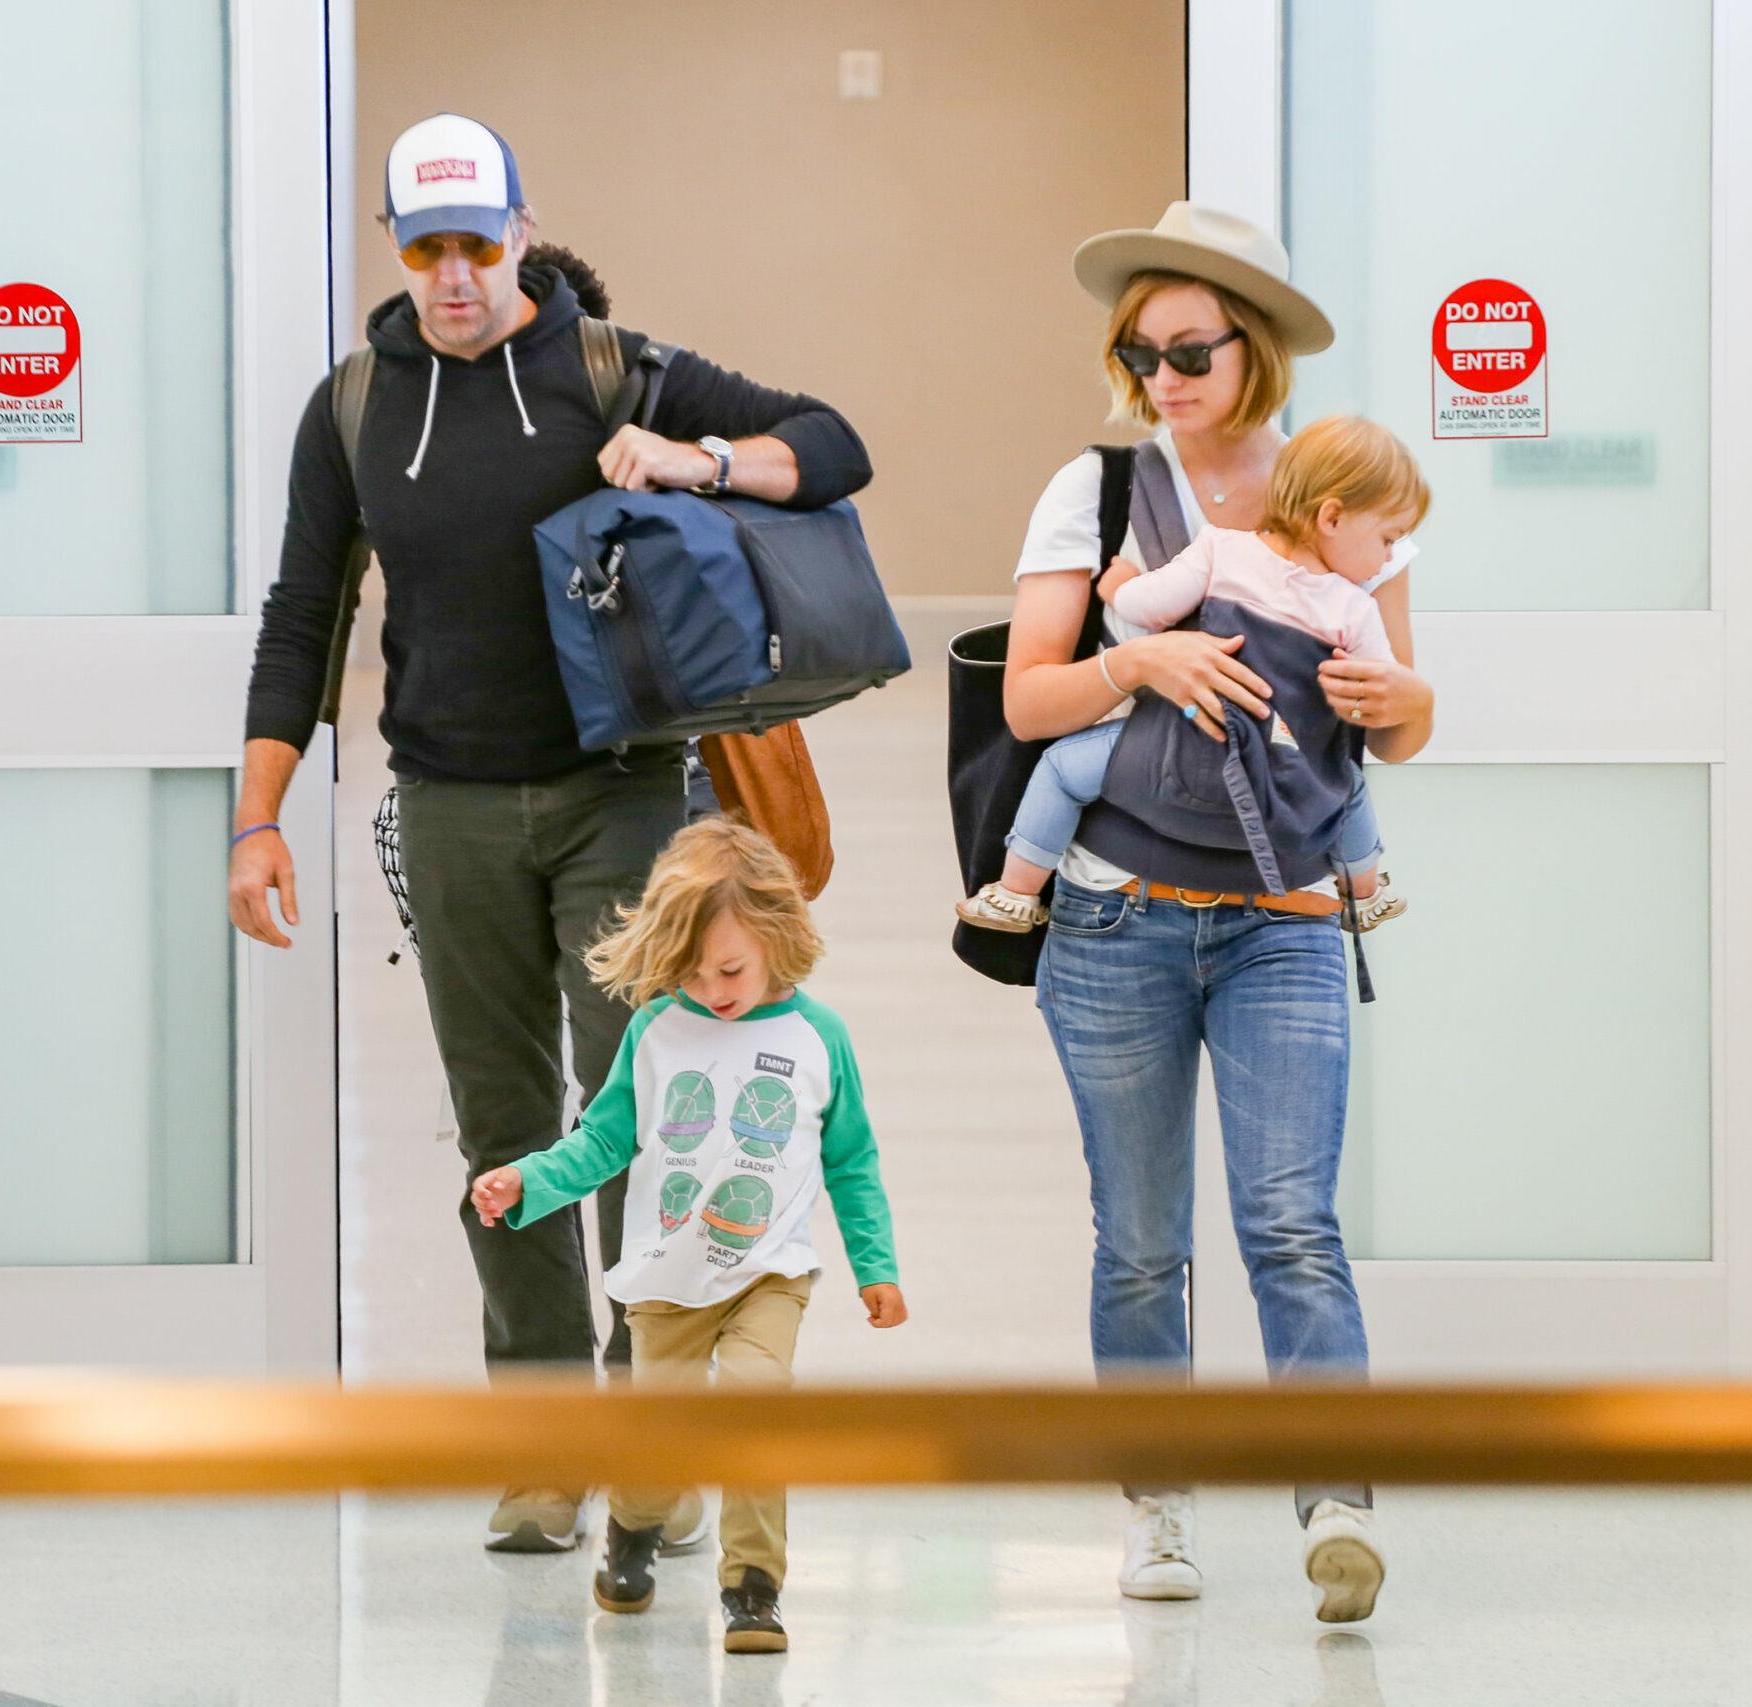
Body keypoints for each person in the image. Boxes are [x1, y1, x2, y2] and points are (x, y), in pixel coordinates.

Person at [230, 112, 872, 1556]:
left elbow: (837, 446)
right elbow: (299, 619)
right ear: (395, 249)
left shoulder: (612, 369)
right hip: (451, 805)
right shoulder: (354, 410)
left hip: (621, 797)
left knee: (642, 1111)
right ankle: (540, 1444)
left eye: (478, 242)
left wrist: (701, 458)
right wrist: (257, 814)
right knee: (506, 1129)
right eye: (426, 247)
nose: (454, 274)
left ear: (521, 232)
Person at [1001, 203, 1435, 1621]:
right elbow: (1029, 699)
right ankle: (1159, 1505)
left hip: (1289, 915)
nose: (1166, 372)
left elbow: (1401, 716)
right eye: (1143, 347)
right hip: (1121, 917)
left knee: (1292, 1221)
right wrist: (1146, 661)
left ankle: (1336, 1508)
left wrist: (1409, 702)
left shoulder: (1344, 485)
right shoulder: (1102, 487)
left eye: (1193, 346)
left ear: (1257, 349)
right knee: (1140, 1236)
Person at [470, 818, 905, 1656]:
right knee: (660, 1441)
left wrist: (874, 1267)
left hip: (768, 1271)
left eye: (731, 967)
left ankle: (753, 1587)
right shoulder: (657, 1030)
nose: (712, 987)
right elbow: (602, 1142)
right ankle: (634, 1527)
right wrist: (529, 1180)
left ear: (780, 933)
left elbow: (853, 1161)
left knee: (754, 1409)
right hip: (667, 1278)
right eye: (693, 970)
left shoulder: (818, 1038)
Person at [958, 414, 1430, 935]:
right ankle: (1363, 895)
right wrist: (1396, 698)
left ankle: (1015, 893)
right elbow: (1375, 690)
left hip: (1176, 742)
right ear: (1332, 518)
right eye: (1388, 538)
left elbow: (1147, 607)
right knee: (1344, 788)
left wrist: (1118, 587)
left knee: (1062, 771)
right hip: (1282, 752)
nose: (1389, 555)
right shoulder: (1353, 609)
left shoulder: (1221, 549)